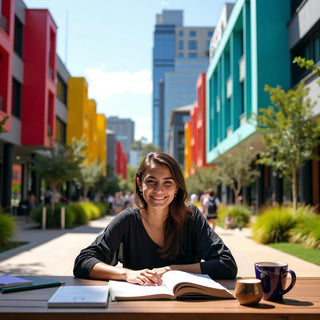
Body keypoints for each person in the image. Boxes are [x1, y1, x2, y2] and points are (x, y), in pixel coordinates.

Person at [73, 152, 237, 286]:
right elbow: (83, 261)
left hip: (184, 309)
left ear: (177, 187)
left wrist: (170, 269)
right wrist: (127, 274)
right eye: (151, 182)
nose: (159, 190)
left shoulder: (191, 217)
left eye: (168, 183)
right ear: (139, 183)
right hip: (137, 309)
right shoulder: (127, 220)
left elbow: (226, 264)